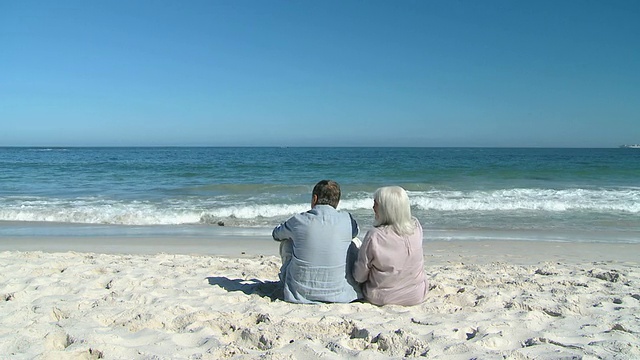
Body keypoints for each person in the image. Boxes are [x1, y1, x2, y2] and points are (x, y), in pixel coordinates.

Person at [272, 180, 362, 304]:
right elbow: (355, 232)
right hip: (340, 293)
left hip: (300, 293)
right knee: (354, 241)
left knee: (287, 242)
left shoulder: (299, 220)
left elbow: (276, 235)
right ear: (337, 201)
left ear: (315, 198)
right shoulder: (347, 219)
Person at [353, 186, 428, 306]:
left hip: (384, 297)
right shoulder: (416, 227)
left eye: (376, 204)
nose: (373, 208)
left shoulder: (375, 235)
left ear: (386, 209)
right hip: (416, 294)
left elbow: (359, 276)